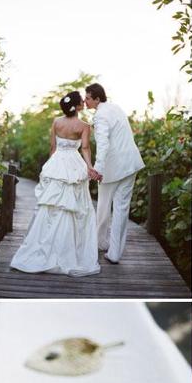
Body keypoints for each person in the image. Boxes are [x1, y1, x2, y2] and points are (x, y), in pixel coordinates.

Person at [10, 91, 100, 276]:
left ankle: (43, 249)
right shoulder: (83, 126)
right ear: (78, 106)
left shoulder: (57, 122)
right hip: (73, 164)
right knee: (73, 208)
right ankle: (68, 251)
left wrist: (51, 167)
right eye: (82, 101)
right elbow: (85, 147)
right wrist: (89, 167)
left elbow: (53, 147)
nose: (84, 102)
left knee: (50, 207)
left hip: (57, 162)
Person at [85, 83, 144, 264]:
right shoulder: (116, 108)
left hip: (112, 168)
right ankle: (115, 253)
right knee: (121, 209)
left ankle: (100, 243)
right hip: (130, 163)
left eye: (88, 98)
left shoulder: (100, 116)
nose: (85, 101)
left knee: (103, 206)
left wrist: (97, 169)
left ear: (97, 99)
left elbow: (103, 145)